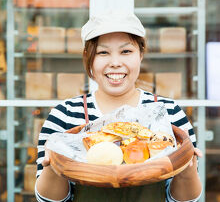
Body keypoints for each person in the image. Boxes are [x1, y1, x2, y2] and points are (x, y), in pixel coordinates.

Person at [35, 10, 202, 202]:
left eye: (126, 51)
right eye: (103, 52)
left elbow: (186, 200)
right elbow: (47, 200)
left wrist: (187, 168)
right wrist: (53, 167)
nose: (115, 63)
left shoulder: (168, 113)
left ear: (141, 54)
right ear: (88, 57)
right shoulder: (64, 115)